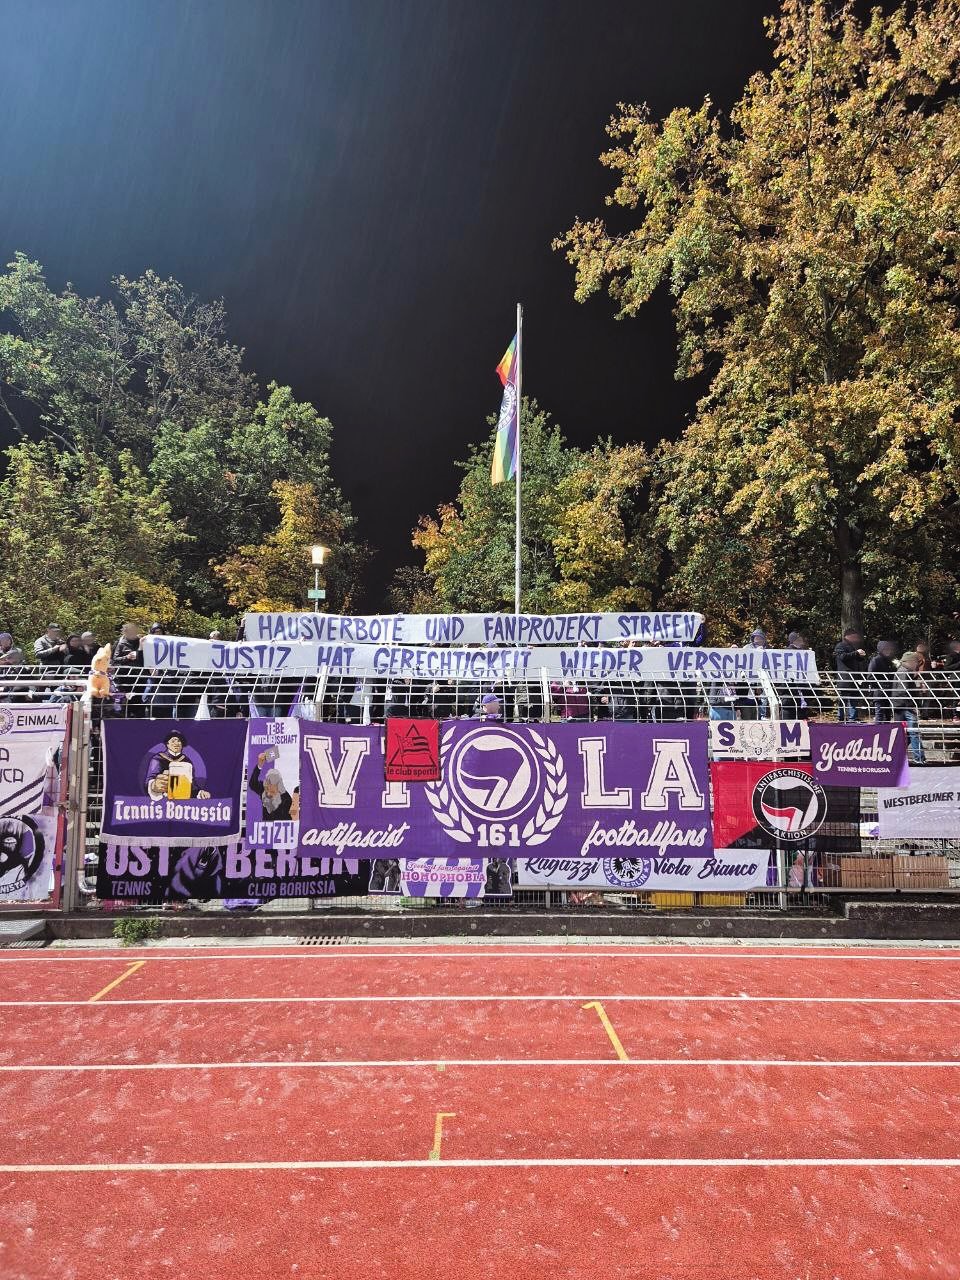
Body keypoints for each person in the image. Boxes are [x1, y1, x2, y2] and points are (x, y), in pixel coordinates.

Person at [145, 731, 211, 800]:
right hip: (162, 802)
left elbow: (192, 785)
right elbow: (149, 780)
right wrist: (154, 786)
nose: (176, 743)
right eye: (173, 741)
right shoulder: (158, 758)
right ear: (167, 744)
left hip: (182, 802)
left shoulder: (187, 761)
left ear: (182, 744)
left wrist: (200, 793)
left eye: (179, 741)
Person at [890, 652, 928, 765]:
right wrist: (912, 705)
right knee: (913, 732)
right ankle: (919, 758)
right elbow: (903, 691)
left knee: (905, 733)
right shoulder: (903, 672)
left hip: (900, 705)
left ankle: (898, 756)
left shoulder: (904, 671)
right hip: (905, 706)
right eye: (916, 662)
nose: (916, 665)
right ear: (910, 662)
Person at [834, 628, 868, 722]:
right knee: (843, 699)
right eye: (854, 637)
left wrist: (861, 656)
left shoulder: (852, 647)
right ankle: (840, 718)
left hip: (854, 678)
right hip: (844, 678)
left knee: (853, 699)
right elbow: (843, 657)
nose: (856, 639)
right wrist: (856, 653)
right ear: (847, 636)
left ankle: (852, 718)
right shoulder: (840, 645)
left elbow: (854, 658)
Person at [248, 753, 294, 821]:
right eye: (267, 789)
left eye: (272, 791)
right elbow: (252, 783)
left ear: (279, 788)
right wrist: (260, 765)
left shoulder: (286, 798)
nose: (268, 794)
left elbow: (288, 820)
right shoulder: (263, 788)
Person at [868, 640, 898, 722]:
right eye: (886, 649)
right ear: (881, 650)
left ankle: (887, 732)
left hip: (888, 692)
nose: (888, 651)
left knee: (888, 714)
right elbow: (870, 677)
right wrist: (882, 684)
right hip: (879, 692)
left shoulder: (890, 661)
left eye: (889, 649)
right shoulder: (876, 660)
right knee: (880, 714)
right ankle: (877, 732)